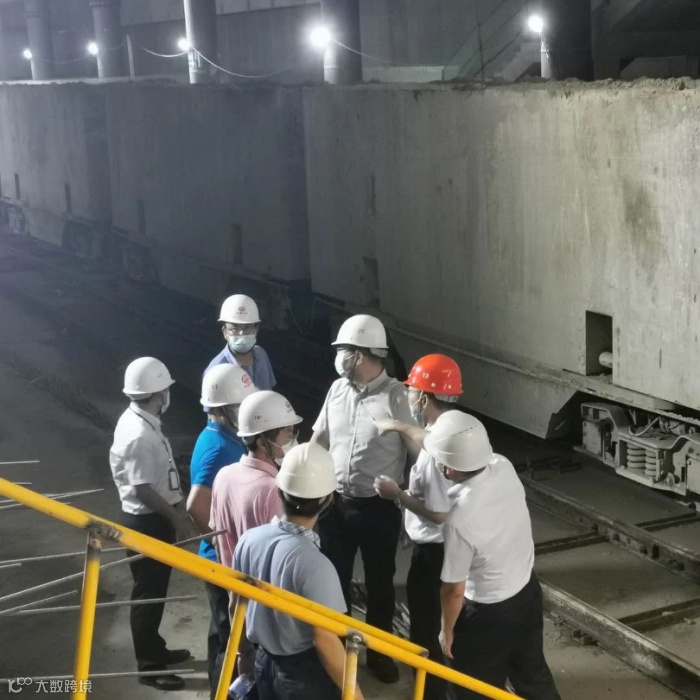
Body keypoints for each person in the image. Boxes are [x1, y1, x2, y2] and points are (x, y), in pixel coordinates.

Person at [423, 417, 561, 700]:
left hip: (487, 615)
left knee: (476, 687)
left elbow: (453, 590)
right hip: (526, 593)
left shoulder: (460, 519)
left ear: (448, 468)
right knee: (532, 674)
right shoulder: (503, 466)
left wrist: (446, 630)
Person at [311, 314, 412, 683]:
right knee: (332, 582)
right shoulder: (337, 390)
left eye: (345, 350)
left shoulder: (398, 397)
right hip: (335, 504)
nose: (339, 357)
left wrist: (408, 503)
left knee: (380, 584)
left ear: (364, 354)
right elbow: (319, 439)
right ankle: (337, 653)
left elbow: (416, 452)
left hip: (378, 508)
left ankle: (379, 654)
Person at [234, 442, 365, 700]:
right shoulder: (317, 565)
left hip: (263, 662)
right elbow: (325, 640)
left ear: (279, 490)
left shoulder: (249, 540)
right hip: (302, 676)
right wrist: (356, 694)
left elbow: (235, 605)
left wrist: (243, 653)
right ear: (328, 499)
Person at [373, 354, 464, 700]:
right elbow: (424, 436)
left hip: (434, 555)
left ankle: (432, 693)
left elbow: (438, 514)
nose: (407, 394)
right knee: (449, 628)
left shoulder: (432, 457)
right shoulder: (456, 430)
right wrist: (398, 425)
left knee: (425, 631)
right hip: (455, 547)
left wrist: (397, 495)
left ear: (424, 398)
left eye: (411, 390)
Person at [109, 357, 195, 692]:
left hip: (153, 517)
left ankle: (154, 648)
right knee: (147, 594)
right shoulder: (139, 435)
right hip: (147, 522)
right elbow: (143, 490)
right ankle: (149, 666)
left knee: (155, 591)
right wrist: (178, 520)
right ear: (159, 394)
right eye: (166, 389)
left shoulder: (140, 420)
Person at [188, 364, 258, 698]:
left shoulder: (226, 437)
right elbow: (195, 503)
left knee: (222, 632)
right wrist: (222, 547)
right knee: (230, 641)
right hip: (220, 562)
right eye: (239, 405)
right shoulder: (216, 446)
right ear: (220, 408)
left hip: (223, 559)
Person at [210, 390, 303, 569]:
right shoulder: (273, 490)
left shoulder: (223, 475)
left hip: (231, 582)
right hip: (262, 585)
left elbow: (216, 538)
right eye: (288, 434)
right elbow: (284, 558)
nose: (293, 440)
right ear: (262, 443)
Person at [205, 294, 276, 392]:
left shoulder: (261, 354)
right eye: (234, 328)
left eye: (248, 327)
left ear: (256, 329)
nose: (241, 334)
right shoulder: (216, 371)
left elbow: (269, 392)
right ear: (225, 332)